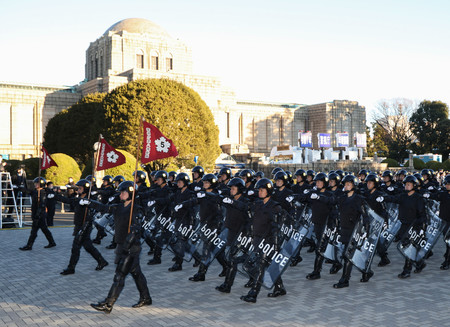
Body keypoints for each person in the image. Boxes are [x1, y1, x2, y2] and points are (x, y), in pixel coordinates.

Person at [89, 181, 151, 313]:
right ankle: (146, 297)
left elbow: (136, 230)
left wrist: (128, 245)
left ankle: (108, 303)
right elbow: (105, 208)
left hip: (131, 248)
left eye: (124, 192)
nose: (121, 194)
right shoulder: (119, 207)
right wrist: (89, 202)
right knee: (136, 273)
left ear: (131, 194)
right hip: (121, 245)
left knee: (119, 276)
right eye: (121, 192)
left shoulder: (136, 209)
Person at [240, 178, 285, 303]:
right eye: (258, 190)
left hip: (268, 242)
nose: (259, 192)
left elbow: (276, 228)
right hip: (257, 240)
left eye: (262, 190)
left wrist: (275, 246)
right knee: (271, 265)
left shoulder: (275, 207)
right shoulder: (257, 204)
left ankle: (253, 293)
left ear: (268, 191)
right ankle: (280, 287)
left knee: (260, 266)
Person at [376, 175, 427, 278]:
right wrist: (384, 198)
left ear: (414, 185)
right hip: (403, 224)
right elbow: (393, 198)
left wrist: (422, 228)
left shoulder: (418, 198)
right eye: (405, 185)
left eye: (409, 184)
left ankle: (407, 270)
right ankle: (419, 263)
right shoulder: (403, 196)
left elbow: (423, 215)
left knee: (409, 247)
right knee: (405, 246)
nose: (406, 186)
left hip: (414, 226)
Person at [57, 179, 108, 275]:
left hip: (85, 226)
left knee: (75, 247)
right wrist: (55, 196)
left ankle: (71, 268)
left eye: (80, 188)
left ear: (85, 189)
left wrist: (88, 203)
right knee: (88, 246)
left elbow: (97, 208)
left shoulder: (91, 199)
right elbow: (68, 200)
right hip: (78, 225)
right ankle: (102, 261)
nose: (78, 190)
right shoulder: (78, 198)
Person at [19, 177, 56, 251]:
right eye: (35, 183)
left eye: (37, 183)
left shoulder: (43, 193)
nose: (35, 185)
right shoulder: (36, 191)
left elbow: (42, 204)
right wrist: (19, 187)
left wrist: (38, 215)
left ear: (41, 184)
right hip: (36, 214)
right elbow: (28, 191)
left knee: (34, 231)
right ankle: (52, 242)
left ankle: (29, 245)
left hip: (40, 215)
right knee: (44, 229)